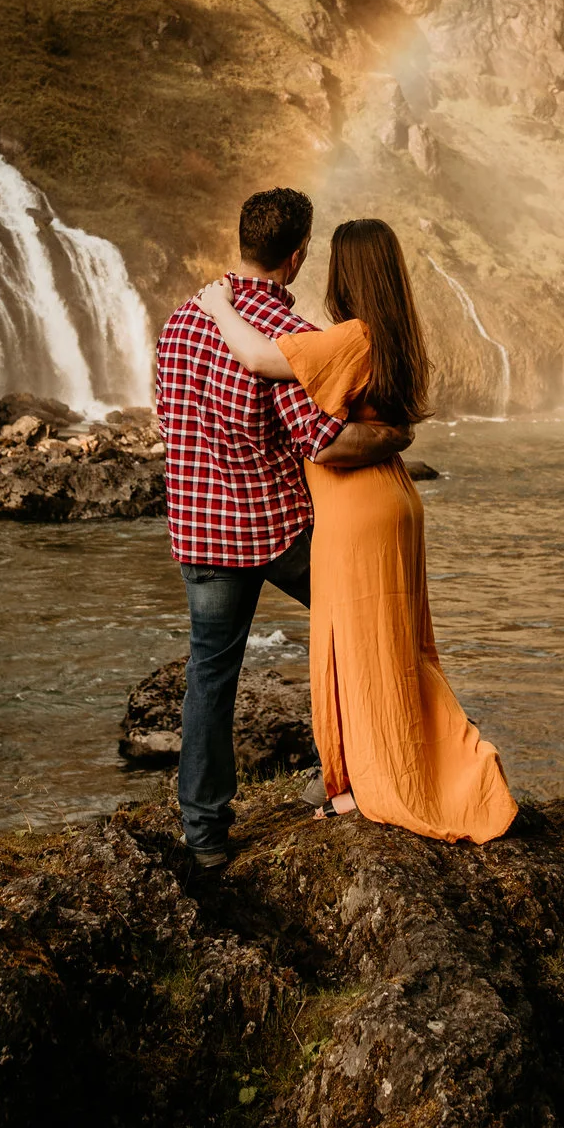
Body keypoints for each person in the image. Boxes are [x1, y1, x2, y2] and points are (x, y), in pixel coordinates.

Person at [196, 216, 516, 844]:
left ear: (346, 271)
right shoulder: (394, 336)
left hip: (354, 512)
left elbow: (258, 358)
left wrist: (218, 305)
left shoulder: (349, 337)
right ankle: (359, 778)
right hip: (392, 500)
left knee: (358, 651)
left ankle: (393, 780)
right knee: (391, 647)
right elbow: (387, 424)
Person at [154, 188, 415, 868]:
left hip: (200, 529)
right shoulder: (286, 334)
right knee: (354, 627)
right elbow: (322, 442)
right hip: (277, 528)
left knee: (209, 674)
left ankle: (205, 835)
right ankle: (362, 776)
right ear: (296, 255)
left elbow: (168, 418)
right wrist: (392, 437)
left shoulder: (181, 321)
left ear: (242, 242)